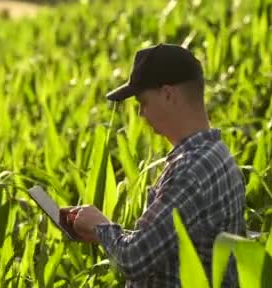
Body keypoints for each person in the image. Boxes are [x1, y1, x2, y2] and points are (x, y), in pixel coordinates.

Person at [62, 43, 246, 287]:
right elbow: (163, 242)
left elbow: (134, 259)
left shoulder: (190, 170)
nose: (141, 114)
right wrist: (105, 234)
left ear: (168, 94)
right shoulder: (217, 153)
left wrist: (99, 226)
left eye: (143, 102)